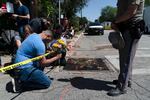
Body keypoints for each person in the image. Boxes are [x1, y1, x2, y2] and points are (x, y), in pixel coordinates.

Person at [108, 0, 145, 96]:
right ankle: (126, 80)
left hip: (132, 27)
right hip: (126, 28)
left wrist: (115, 21)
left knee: (126, 58)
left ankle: (121, 87)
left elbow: (131, 11)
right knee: (126, 57)